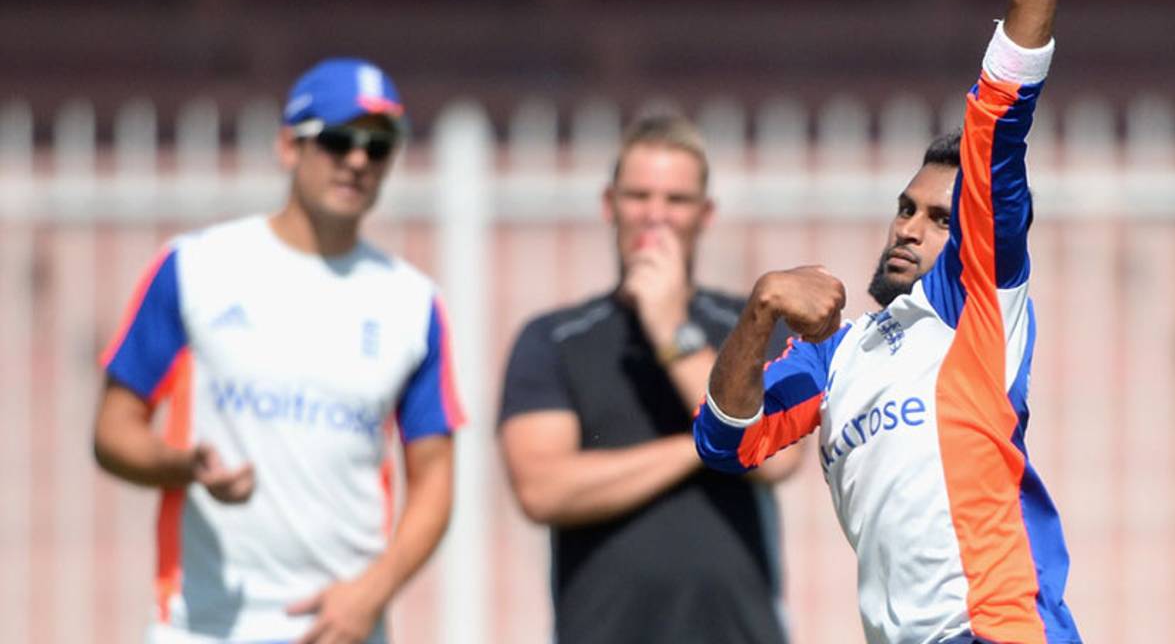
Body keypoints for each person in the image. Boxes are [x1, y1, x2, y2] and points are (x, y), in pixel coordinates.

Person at [692, 0, 1084, 643]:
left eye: (939, 218)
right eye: (905, 208)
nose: (909, 227)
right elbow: (725, 442)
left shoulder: (974, 310)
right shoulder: (836, 358)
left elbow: (995, 123)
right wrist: (762, 307)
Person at [93, 59, 464, 644]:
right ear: (289, 146)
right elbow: (113, 431)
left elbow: (436, 479)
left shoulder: (413, 303)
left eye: (379, 146)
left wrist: (369, 595)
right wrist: (183, 466)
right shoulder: (195, 268)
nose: (358, 161)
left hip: (341, 629)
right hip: (203, 626)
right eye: (338, 140)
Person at [498, 114, 803, 644]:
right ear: (608, 205)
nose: (655, 217)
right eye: (638, 196)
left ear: (704, 214)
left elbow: (778, 456)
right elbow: (542, 488)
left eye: (676, 200)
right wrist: (703, 448)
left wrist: (671, 330)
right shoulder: (554, 338)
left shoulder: (751, 325)